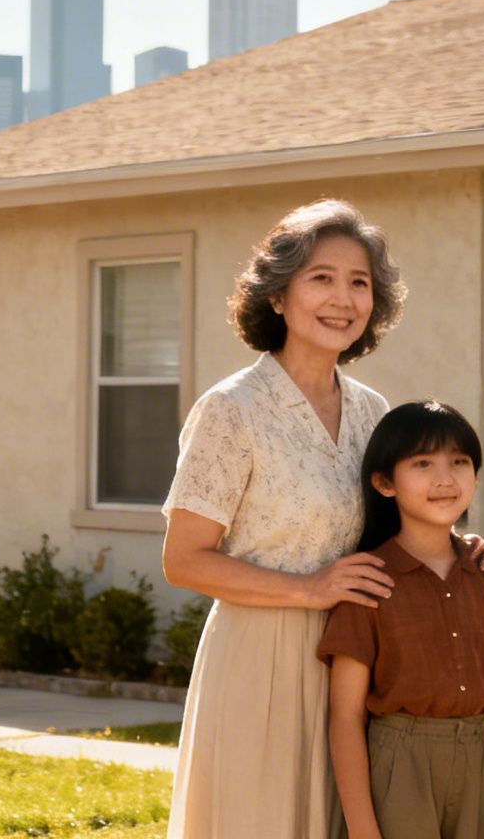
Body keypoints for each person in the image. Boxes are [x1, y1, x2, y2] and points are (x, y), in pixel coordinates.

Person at [160, 199, 407, 839]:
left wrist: (463, 553)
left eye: (360, 283)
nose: (343, 298)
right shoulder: (231, 409)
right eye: (321, 277)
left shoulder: (373, 412)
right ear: (278, 295)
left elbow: (394, 530)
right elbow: (183, 560)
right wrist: (310, 589)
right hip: (257, 663)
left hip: (352, 660)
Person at [318, 401, 484, 839]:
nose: (445, 479)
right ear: (385, 482)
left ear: (476, 476)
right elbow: (346, 716)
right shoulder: (367, 580)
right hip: (400, 762)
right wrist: (364, 829)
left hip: (479, 760)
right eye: (423, 463)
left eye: (459, 462)